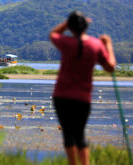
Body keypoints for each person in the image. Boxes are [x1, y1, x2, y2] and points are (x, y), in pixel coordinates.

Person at [49, 11, 116, 165]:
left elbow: (53, 33)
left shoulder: (66, 42)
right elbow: (110, 67)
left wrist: (68, 21)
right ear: (86, 26)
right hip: (82, 98)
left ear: (70, 28)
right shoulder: (96, 44)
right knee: (80, 135)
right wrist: (108, 45)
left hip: (62, 96)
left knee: (68, 134)